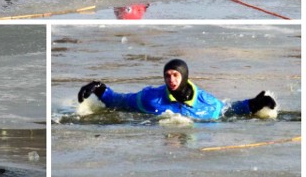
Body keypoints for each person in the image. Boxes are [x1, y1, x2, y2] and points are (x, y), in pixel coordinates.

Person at [77, 59, 277, 120]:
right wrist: (98, 87)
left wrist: (254, 104)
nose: (171, 80)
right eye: (167, 75)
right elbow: (119, 101)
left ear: (184, 77)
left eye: (175, 75)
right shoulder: (149, 98)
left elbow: (228, 111)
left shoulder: (205, 103)